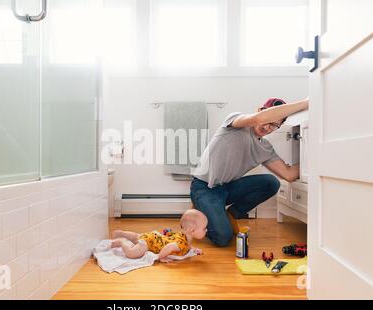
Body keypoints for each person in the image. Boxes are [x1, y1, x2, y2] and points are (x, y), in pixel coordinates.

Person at [190, 97, 309, 247]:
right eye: (268, 120)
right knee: (223, 238)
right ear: (260, 111)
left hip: (227, 188)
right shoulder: (235, 122)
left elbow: (289, 174)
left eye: (274, 125)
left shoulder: (265, 148)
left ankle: (231, 214)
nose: (267, 127)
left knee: (271, 183)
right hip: (204, 187)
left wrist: (314, 154)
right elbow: (258, 119)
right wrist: (306, 103)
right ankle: (201, 210)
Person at [110, 209, 208, 263]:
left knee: (137, 237)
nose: (206, 230)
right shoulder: (179, 244)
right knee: (131, 253)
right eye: (204, 228)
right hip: (150, 243)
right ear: (192, 230)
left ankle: (122, 233)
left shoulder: (186, 236)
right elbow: (168, 247)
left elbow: (188, 244)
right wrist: (161, 257)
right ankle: (122, 241)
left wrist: (193, 249)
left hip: (153, 237)